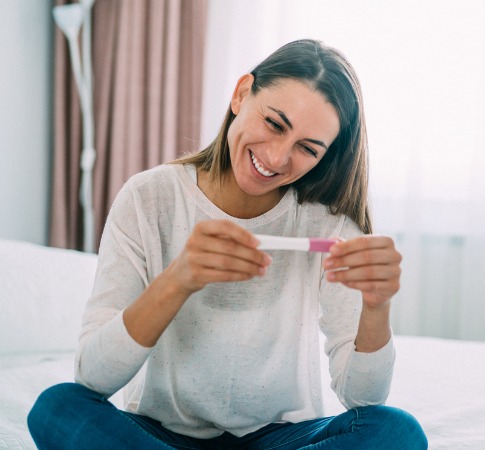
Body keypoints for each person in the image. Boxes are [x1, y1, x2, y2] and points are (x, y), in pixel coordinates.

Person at [27, 39, 428, 449]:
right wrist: (178, 279)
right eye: (274, 123)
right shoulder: (149, 198)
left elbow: (363, 400)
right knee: (57, 407)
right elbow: (92, 377)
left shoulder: (329, 227)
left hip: (279, 439)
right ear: (241, 94)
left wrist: (377, 307)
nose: (276, 158)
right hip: (163, 434)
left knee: (397, 431)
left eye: (307, 149)